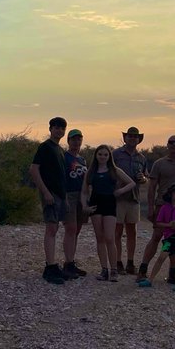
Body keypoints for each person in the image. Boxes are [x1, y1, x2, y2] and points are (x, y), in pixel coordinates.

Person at [139, 135, 175, 282]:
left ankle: (173, 273)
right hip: (163, 206)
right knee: (156, 237)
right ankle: (143, 269)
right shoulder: (159, 164)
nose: (174, 145)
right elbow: (152, 187)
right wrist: (151, 208)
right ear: (167, 145)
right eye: (171, 142)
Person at [82, 144, 138, 281]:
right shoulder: (91, 171)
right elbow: (84, 191)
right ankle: (104, 270)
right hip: (95, 205)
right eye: (100, 154)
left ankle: (114, 270)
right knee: (99, 238)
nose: (102, 157)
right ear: (96, 155)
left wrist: (120, 191)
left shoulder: (114, 170)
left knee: (109, 237)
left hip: (110, 204)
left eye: (105, 155)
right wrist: (85, 206)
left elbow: (131, 183)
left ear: (109, 156)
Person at [28, 116, 69, 284]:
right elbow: (34, 169)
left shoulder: (59, 149)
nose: (59, 130)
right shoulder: (45, 147)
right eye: (56, 127)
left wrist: (64, 197)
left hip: (59, 195)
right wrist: (45, 192)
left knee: (55, 228)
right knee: (51, 229)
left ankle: (53, 265)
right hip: (50, 194)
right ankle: (50, 267)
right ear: (50, 129)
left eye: (62, 128)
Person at [112, 126, 151, 276]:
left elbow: (146, 177)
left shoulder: (141, 158)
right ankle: (117, 262)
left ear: (138, 139)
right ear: (125, 138)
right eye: (130, 136)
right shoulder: (115, 155)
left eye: (135, 137)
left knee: (132, 232)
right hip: (118, 198)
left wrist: (144, 179)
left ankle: (130, 262)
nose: (132, 138)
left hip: (134, 198)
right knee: (117, 231)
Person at [142, 183, 175, 291]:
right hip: (169, 238)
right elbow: (158, 223)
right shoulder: (165, 208)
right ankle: (150, 280)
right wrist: (170, 225)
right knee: (162, 257)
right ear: (170, 195)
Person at [61, 129, 89, 278]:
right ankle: (68, 263)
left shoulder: (82, 160)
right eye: (73, 139)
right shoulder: (64, 157)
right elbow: (61, 179)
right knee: (70, 228)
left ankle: (71, 262)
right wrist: (64, 197)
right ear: (68, 141)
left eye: (79, 139)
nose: (76, 142)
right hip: (69, 195)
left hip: (81, 196)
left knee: (76, 230)